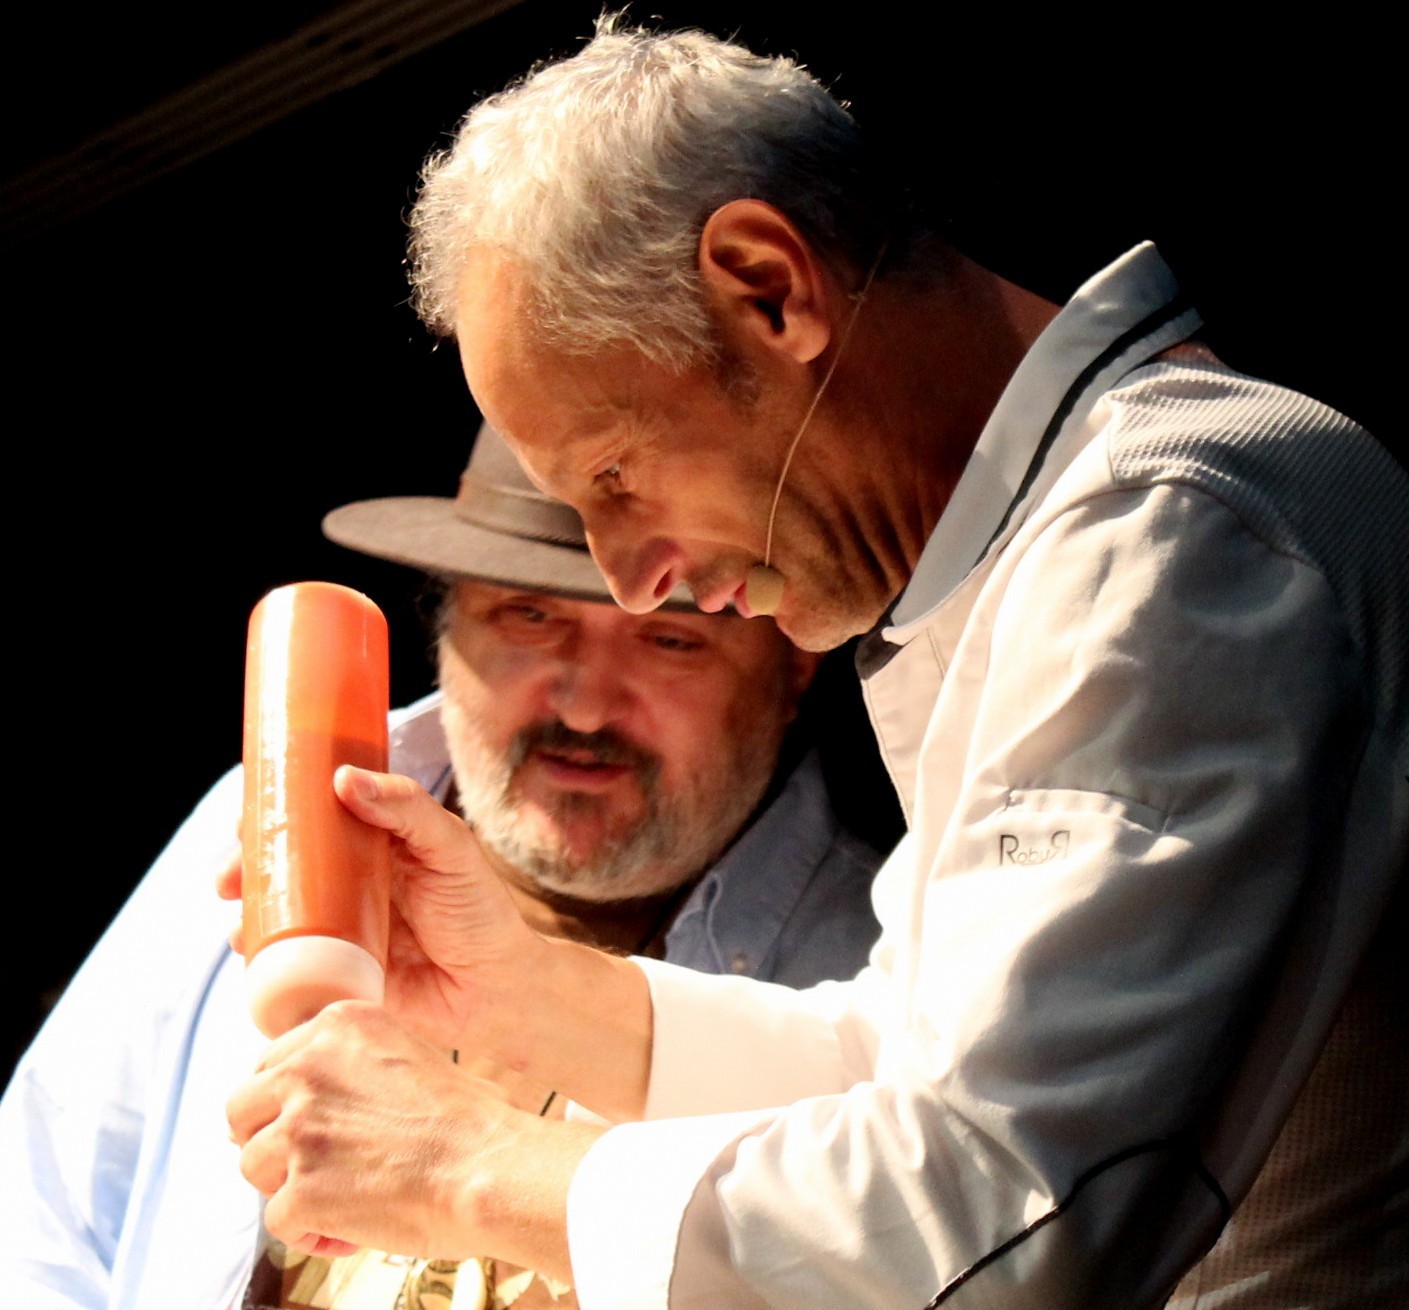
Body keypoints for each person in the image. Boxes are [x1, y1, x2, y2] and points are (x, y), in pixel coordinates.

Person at [219, 19, 1407, 1310]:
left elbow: (1011, 1215)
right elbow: (904, 1064)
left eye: (616, 474)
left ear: (768, 287)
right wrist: (522, 989)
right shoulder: (1060, 544)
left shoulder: (1171, 533)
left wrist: (466, 1166)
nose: (633, 577)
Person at [0, 422, 886, 1309]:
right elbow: (45, 1210)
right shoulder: (266, 813)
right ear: (446, 619)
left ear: (793, 666)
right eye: (530, 615)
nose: (584, 706)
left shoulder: (883, 965)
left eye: (669, 641)